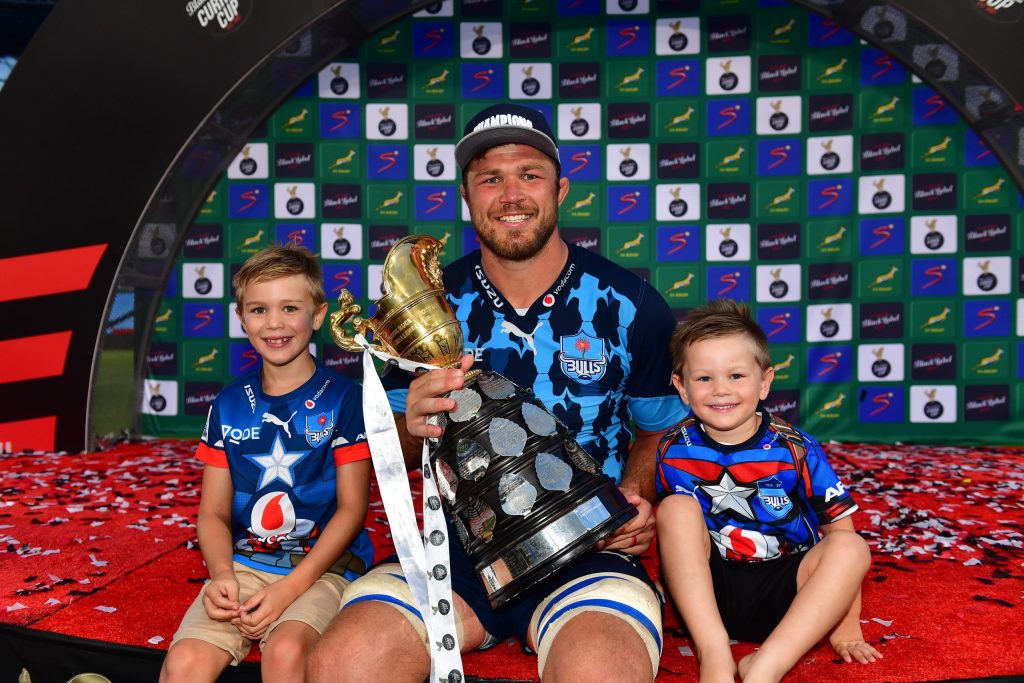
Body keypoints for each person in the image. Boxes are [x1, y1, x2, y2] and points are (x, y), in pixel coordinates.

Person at [307, 103, 685, 683]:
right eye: (490, 178)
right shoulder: (422, 310)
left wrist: (635, 493)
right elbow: (390, 453)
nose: (511, 194)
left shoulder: (631, 303)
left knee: (599, 671)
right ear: (466, 195)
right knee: (343, 665)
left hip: (588, 543)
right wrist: (412, 426)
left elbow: (660, 428)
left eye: (529, 175)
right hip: (456, 548)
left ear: (560, 188)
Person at [160, 245, 372, 683]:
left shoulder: (345, 399)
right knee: (184, 663)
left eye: (289, 308)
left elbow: (353, 509)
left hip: (323, 569)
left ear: (318, 315)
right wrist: (222, 575)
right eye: (259, 309)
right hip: (245, 565)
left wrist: (290, 588)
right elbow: (213, 513)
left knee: (286, 652)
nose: (274, 323)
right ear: (241, 318)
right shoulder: (228, 404)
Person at [655, 298, 881, 683]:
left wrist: (846, 624)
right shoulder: (671, 449)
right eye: (704, 378)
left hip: (790, 599)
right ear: (682, 387)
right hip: (709, 597)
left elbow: (840, 530)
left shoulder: (795, 448)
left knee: (851, 546)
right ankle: (715, 655)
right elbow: (676, 539)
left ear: (764, 382)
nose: (720, 390)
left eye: (736, 376)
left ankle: (766, 667)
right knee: (675, 509)